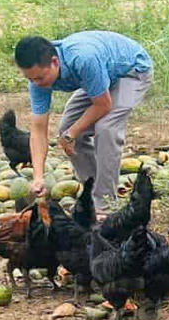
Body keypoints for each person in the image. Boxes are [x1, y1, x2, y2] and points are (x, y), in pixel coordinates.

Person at [13, 31, 153, 214]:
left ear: (55, 62)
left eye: (39, 78)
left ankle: (104, 206)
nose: (36, 83)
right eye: (30, 79)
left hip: (131, 71)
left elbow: (103, 105)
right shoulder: (37, 80)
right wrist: (38, 177)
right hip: (101, 77)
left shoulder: (83, 59)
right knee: (66, 128)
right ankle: (92, 193)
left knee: (106, 128)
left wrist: (73, 133)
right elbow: (38, 130)